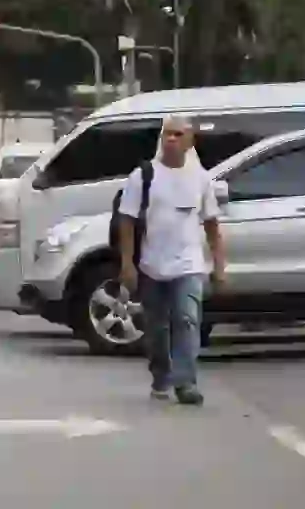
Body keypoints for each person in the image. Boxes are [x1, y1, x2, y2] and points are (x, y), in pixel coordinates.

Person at [117, 115, 226, 406]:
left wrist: (219, 266)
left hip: (188, 266)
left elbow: (212, 226)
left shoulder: (201, 180)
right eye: (167, 134)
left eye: (178, 134)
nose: (172, 139)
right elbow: (126, 222)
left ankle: (186, 382)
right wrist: (127, 264)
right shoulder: (143, 176)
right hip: (152, 265)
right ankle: (161, 375)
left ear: (190, 141)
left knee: (188, 320)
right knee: (156, 329)